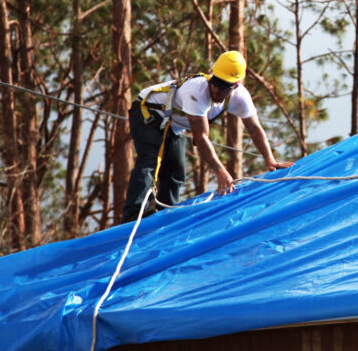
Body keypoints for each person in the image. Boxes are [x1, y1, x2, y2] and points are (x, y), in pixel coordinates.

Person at [121, 51, 294, 223]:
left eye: (224, 86)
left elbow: (255, 129)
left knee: (176, 171)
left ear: (235, 85)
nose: (217, 89)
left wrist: (270, 160)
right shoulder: (196, 90)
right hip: (147, 113)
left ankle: (166, 216)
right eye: (216, 82)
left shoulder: (240, 97)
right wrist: (220, 171)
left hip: (173, 125)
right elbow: (201, 138)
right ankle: (132, 216)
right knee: (151, 160)